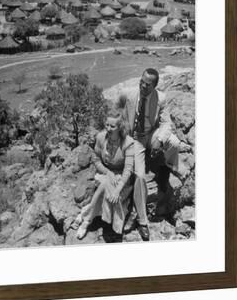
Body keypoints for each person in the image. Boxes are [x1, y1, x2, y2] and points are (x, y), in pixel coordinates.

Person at [121, 68, 181, 241]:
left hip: (153, 133)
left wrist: (160, 140)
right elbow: (125, 121)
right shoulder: (131, 96)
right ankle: (142, 221)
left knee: (175, 143)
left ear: (154, 86)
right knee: (139, 177)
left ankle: (167, 169)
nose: (143, 86)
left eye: (147, 85)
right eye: (141, 82)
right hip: (137, 138)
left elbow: (166, 123)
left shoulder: (161, 98)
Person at [75, 109, 140, 240]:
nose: (108, 129)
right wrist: (108, 172)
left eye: (112, 126)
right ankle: (88, 218)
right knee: (105, 183)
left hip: (122, 179)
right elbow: (96, 159)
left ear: (120, 127)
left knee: (106, 187)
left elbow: (128, 169)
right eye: (107, 125)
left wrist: (117, 190)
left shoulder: (128, 143)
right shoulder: (100, 137)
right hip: (106, 174)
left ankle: (87, 217)